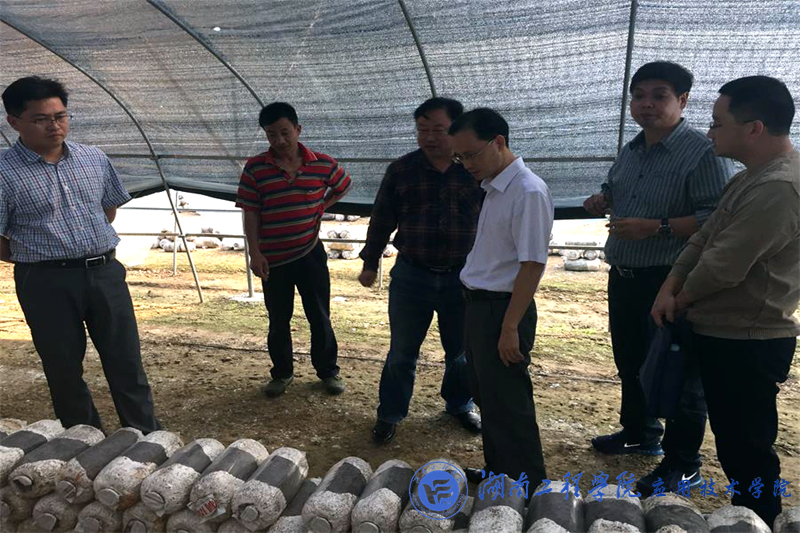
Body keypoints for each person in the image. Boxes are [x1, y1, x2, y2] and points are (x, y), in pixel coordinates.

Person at [652, 75, 799, 526]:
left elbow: (724, 265)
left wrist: (680, 297)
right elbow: (704, 239)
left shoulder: (779, 187)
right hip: (724, 329)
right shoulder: (749, 178)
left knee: (747, 447)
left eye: (717, 123)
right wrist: (670, 285)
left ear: (753, 128)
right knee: (735, 440)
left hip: (749, 338)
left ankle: (760, 518)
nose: (710, 131)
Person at [583, 61, 734, 495]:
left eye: (659, 95)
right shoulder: (631, 149)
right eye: (639, 95)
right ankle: (639, 432)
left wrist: (657, 227)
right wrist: (602, 198)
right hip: (625, 275)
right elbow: (615, 187)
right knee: (630, 361)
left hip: (670, 279)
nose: (646, 104)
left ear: (682, 101)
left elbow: (716, 217)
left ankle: (683, 463)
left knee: (677, 370)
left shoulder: (702, 152)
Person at [0, 76, 160, 434]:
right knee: (63, 367)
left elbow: (107, 210)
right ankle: (83, 439)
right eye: (41, 119)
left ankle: (146, 436)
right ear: (14, 122)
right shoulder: (3, 172)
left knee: (126, 361)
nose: (54, 126)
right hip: (45, 280)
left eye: (61, 116)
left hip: (105, 272)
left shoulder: (93, 158)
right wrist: (36, 254)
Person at [359, 97, 484, 443]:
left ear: (457, 130)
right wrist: (370, 262)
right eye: (422, 130)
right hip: (412, 276)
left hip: (463, 277)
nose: (429, 137)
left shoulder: (474, 170)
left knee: (461, 352)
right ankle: (390, 414)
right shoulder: (401, 170)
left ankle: (460, 404)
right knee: (402, 353)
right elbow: (381, 218)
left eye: (438, 130)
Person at [449, 107, 553, 490]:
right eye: (460, 158)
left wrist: (510, 326)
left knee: (509, 403)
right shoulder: (494, 187)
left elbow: (532, 264)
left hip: (503, 310)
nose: (466, 165)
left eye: (471, 154)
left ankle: (527, 487)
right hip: (481, 306)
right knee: (488, 396)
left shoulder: (527, 191)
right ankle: (499, 474)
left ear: (499, 142)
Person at [236, 102, 351, 397]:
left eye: (285, 132)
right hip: (272, 259)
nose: (279, 140)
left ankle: (328, 372)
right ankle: (282, 373)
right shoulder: (256, 168)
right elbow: (250, 212)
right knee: (278, 319)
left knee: (320, 316)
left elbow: (343, 185)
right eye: (271, 134)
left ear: (298, 129)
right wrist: (255, 253)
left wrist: (323, 205)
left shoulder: (323, 164)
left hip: (310, 253)